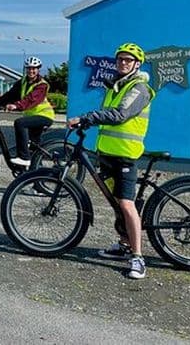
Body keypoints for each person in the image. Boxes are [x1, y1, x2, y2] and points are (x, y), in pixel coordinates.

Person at [67, 42, 155, 280]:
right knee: (115, 200)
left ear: (137, 64)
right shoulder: (115, 86)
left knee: (126, 204)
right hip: (109, 151)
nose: (123, 63)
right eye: (120, 60)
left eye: (128, 60)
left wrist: (87, 117)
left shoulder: (139, 88)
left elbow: (120, 115)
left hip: (126, 153)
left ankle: (138, 258)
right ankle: (125, 244)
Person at [0, 56, 55, 168]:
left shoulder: (42, 85)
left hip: (44, 116)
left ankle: (24, 157)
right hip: (32, 117)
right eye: (29, 68)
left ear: (38, 69)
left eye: (34, 68)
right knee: (33, 147)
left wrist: (16, 105)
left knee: (20, 123)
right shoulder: (23, 82)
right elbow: (10, 95)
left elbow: (31, 99)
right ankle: (37, 177)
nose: (31, 71)